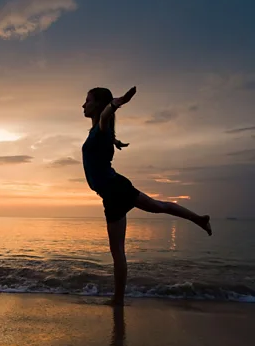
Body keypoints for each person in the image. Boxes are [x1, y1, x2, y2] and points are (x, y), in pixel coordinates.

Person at [82, 86, 212, 306]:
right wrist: (114, 141)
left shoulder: (102, 125)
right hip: (116, 188)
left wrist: (119, 102)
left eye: (87, 100)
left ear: (98, 105)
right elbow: (103, 129)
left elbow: (105, 115)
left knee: (118, 251)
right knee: (157, 206)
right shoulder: (99, 131)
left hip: (114, 191)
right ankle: (199, 219)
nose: (83, 105)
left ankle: (118, 300)